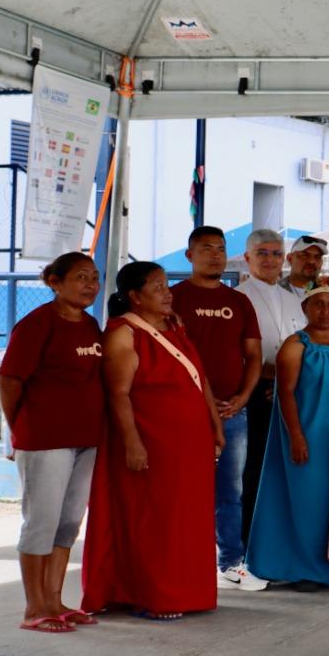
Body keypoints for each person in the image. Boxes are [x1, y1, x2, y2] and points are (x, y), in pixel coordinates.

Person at [82, 261, 224, 620]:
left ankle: (189, 591)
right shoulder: (123, 333)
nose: (167, 292)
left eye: (166, 285)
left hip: (189, 443)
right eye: (157, 286)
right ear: (134, 296)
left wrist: (214, 423)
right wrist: (132, 442)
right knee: (154, 519)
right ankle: (153, 595)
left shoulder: (175, 326)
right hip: (152, 441)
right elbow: (118, 394)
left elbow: (199, 377)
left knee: (188, 519)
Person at [0, 252, 104, 632]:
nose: (90, 284)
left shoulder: (91, 326)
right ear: (55, 282)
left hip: (86, 439)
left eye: (94, 277)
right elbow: (9, 381)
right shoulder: (37, 325)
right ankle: (34, 608)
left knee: (68, 522)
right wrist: (21, 431)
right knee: (41, 522)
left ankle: (55, 600)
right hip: (45, 440)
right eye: (80, 277)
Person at [246, 286, 329, 590]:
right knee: (308, 500)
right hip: (308, 431)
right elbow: (285, 393)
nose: (326, 311)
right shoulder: (295, 346)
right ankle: (306, 569)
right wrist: (296, 435)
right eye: (318, 305)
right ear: (305, 308)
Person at [170, 225, 265, 591]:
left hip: (232, 412)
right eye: (206, 248)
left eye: (221, 249)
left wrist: (243, 397)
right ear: (190, 255)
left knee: (231, 491)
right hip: (184, 412)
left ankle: (230, 563)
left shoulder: (240, 301)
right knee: (185, 489)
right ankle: (183, 561)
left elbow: (253, 356)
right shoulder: (173, 299)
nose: (215, 255)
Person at [236, 230, 305, 549]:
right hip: (254, 393)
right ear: (248, 257)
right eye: (262, 253)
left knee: (284, 470)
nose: (270, 260)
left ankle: (279, 541)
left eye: (276, 253)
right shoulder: (238, 298)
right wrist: (266, 379)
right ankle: (249, 542)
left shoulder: (295, 300)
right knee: (251, 471)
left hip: (290, 393)